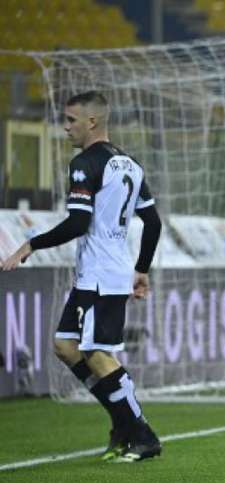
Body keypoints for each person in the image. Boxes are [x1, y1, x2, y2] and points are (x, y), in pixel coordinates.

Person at [1, 91, 163, 461]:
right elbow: (152, 222)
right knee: (65, 346)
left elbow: (78, 222)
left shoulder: (85, 163)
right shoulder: (130, 163)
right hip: (103, 271)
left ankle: (142, 435)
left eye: (71, 119)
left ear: (92, 122)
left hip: (101, 274)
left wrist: (30, 245)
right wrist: (141, 270)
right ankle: (122, 421)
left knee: (96, 352)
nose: (65, 127)